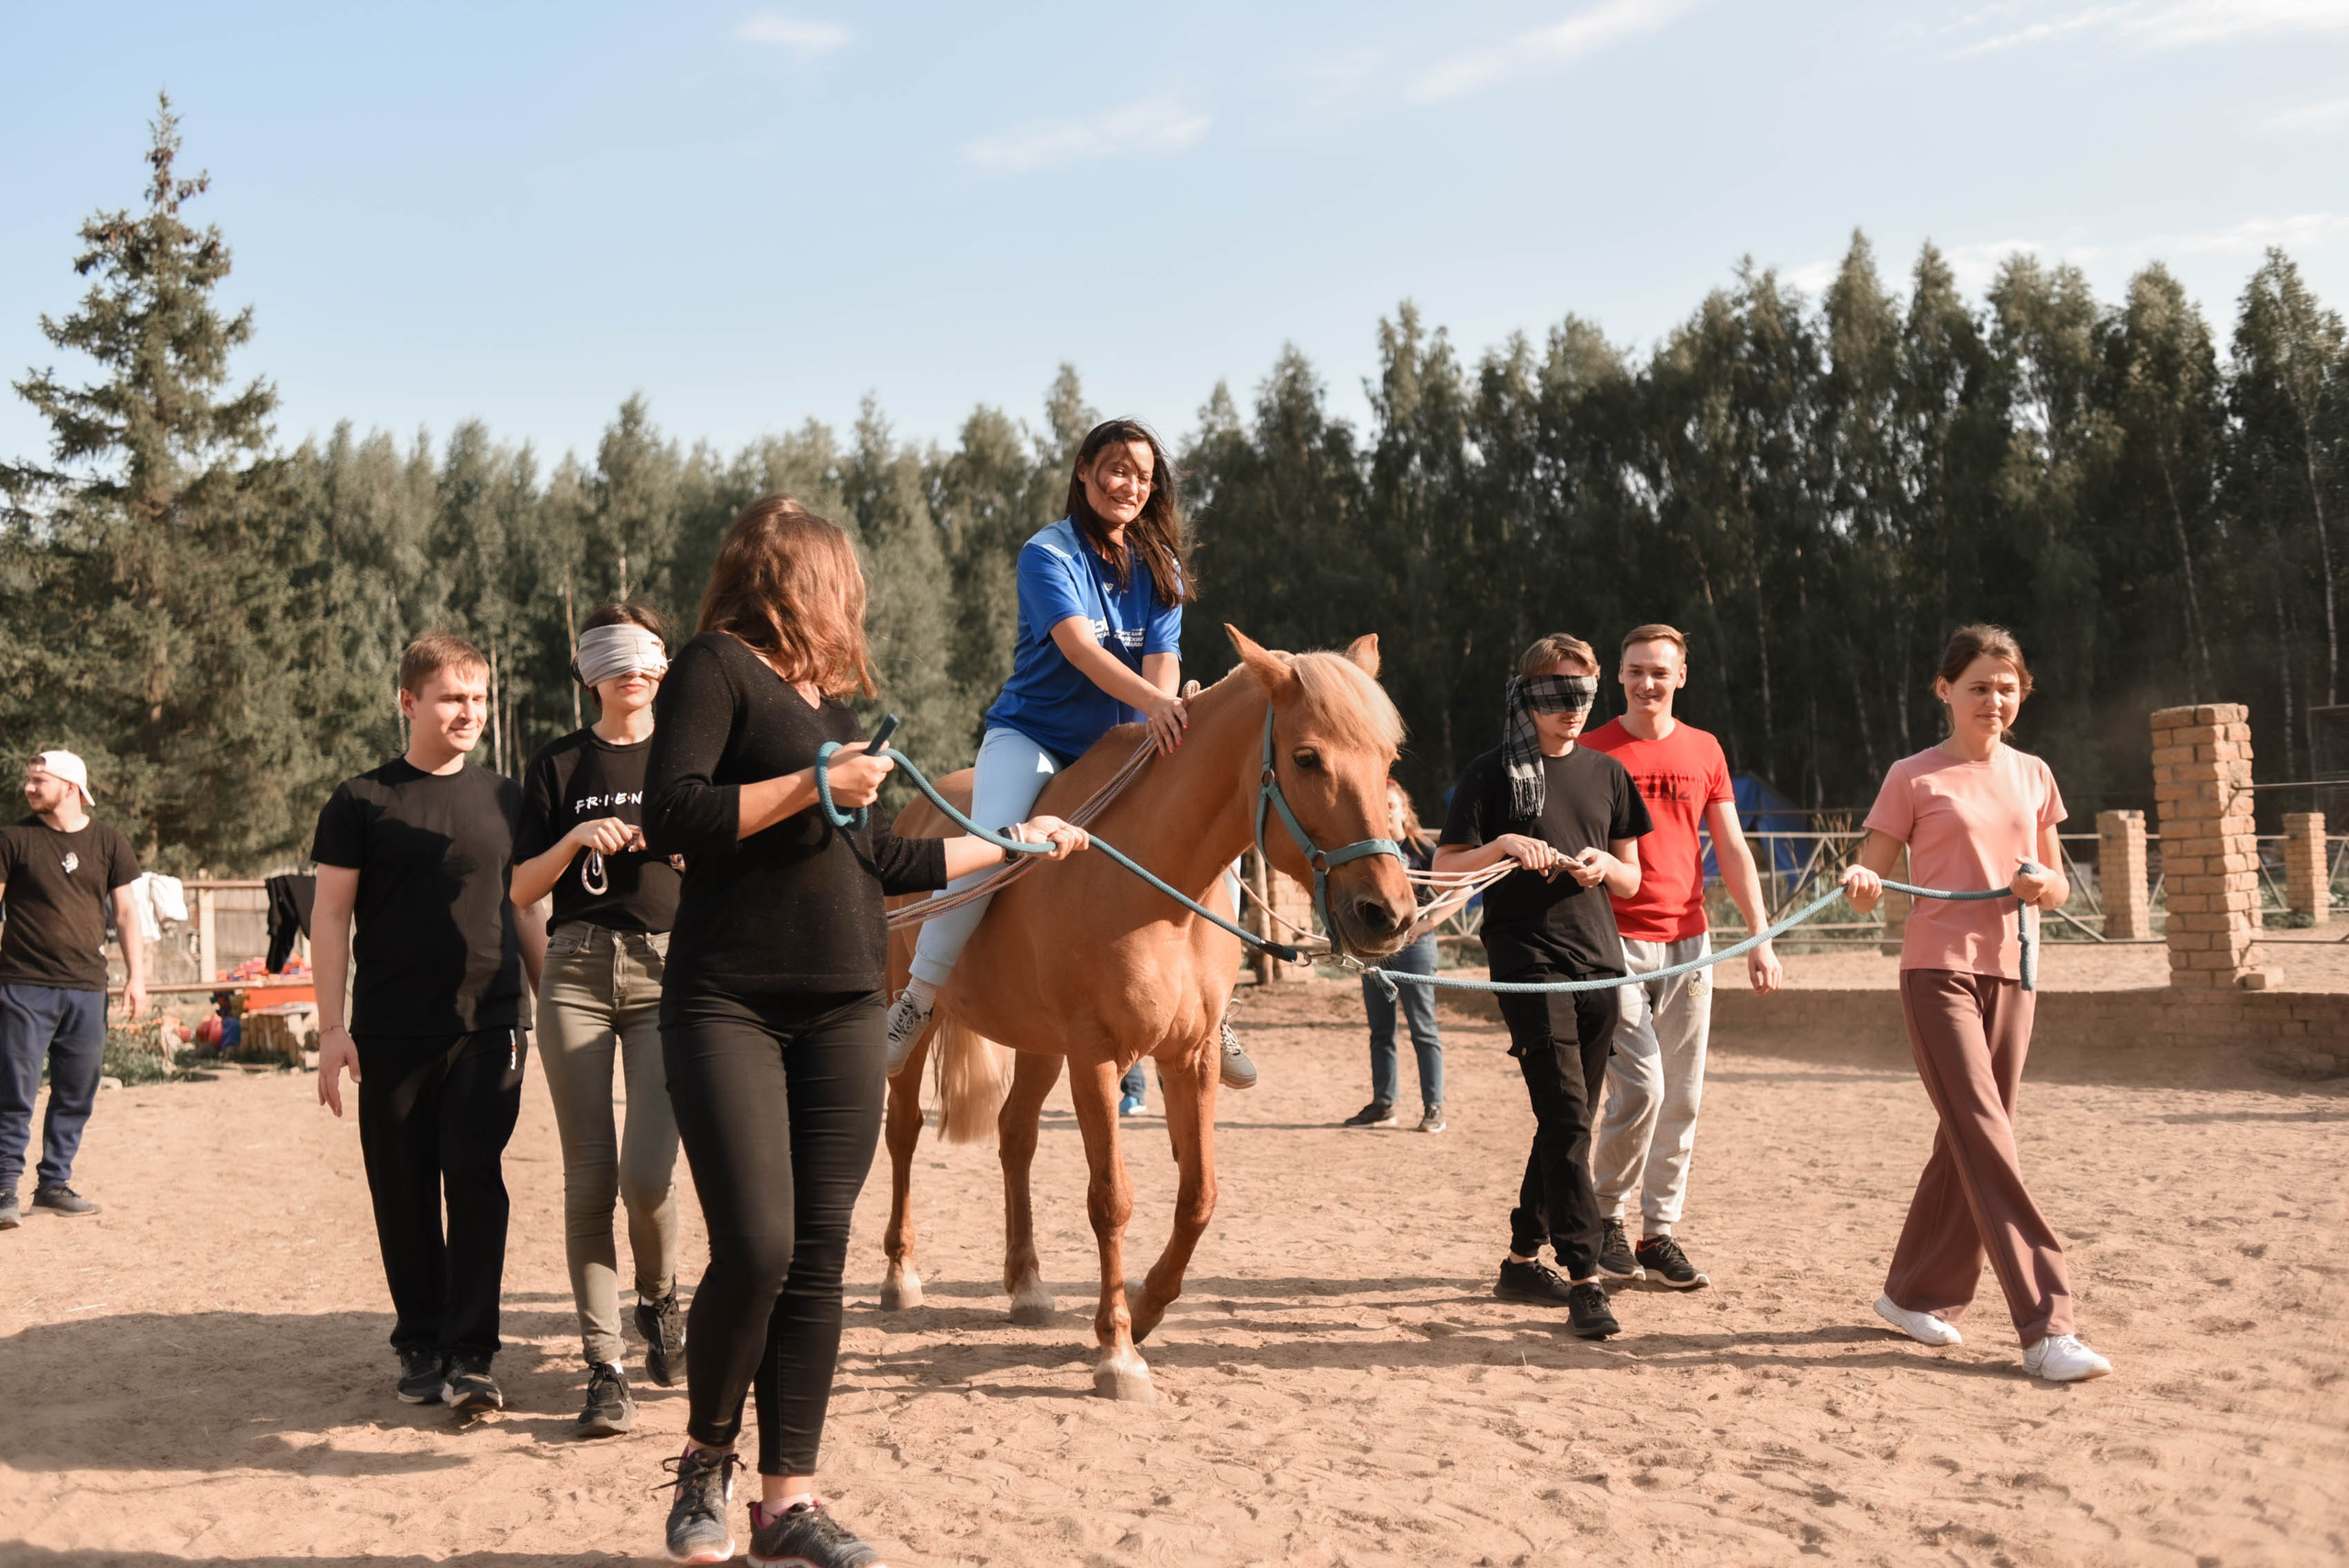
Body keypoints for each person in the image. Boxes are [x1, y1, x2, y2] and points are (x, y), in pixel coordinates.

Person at [643, 496, 1090, 1567]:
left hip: (844, 1000)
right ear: (797, 574)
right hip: (728, 999)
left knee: (815, 1256)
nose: (856, 598)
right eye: (845, 576)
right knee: (753, 1243)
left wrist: (1016, 843)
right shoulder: (712, 665)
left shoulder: (829, 711)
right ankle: (706, 1461)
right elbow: (675, 817)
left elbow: (881, 866)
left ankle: (787, 1502)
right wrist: (814, 782)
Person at [885, 417, 1256, 1098]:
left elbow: (1163, 660)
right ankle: (918, 995)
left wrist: (1160, 714)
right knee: (989, 849)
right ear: (1084, 470)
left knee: (1216, 854)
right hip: (1034, 738)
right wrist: (1157, 704)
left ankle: (1217, 1010)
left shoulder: (1161, 564)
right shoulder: (1046, 553)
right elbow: (1080, 651)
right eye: (1117, 468)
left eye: (1143, 476)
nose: (1130, 485)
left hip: (1124, 743)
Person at [1841, 624, 2111, 1384]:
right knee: (1988, 1136)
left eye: (2006, 686)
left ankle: (1912, 1292)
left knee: (1969, 1137)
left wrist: (2040, 883)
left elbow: (2057, 885)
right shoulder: (1912, 776)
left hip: (2015, 972)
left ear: (2021, 693)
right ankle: (2048, 1326)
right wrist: (1862, 887)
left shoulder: (2034, 774)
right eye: (1978, 686)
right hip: (1939, 974)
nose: (1994, 699)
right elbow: (1869, 880)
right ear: (1944, 690)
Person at [312, 633, 539, 1414]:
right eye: (451, 697)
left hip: (491, 1022)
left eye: (478, 698)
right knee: (403, 1186)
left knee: (475, 1178)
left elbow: (528, 907)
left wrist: (559, 1007)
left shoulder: (509, 798)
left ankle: (473, 1351)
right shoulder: (359, 801)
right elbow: (331, 916)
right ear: (408, 702)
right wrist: (331, 1028)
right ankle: (420, 1338)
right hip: (390, 1028)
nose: (468, 711)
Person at [1434, 633, 1651, 1341]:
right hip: (1524, 959)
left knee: (1571, 1116)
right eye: (1557, 697)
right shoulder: (1490, 774)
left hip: (1600, 959)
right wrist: (1501, 846)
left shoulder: (1608, 774)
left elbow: (1633, 875)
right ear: (1526, 696)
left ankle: (1523, 1255)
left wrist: (1600, 867)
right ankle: (1584, 1278)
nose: (1571, 711)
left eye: (1583, 697)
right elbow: (1446, 867)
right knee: (1565, 1116)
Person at [509, 603, 686, 1438]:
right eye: (615, 657)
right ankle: (604, 1365)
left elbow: (729, 846)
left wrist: (690, 846)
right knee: (592, 1176)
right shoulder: (556, 762)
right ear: (588, 669)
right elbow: (519, 889)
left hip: (670, 970)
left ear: (663, 662)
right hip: (576, 968)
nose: (633, 671)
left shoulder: (690, 751)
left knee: (650, 1173)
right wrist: (577, 835)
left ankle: (659, 1297)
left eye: (647, 655)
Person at [1580, 625, 1782, 1290]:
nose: (1647, 683)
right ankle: (1605, 1213)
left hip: (1689, 944)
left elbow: (1730, 846)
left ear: (1681, 676)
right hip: (1613, 942)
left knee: (1684, 1097)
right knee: (1641, 1088)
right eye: (1636, 670)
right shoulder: (1592, 748)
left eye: (1659, 672)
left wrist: (1759, 936)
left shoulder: (1706, 749)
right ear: (1619, 673)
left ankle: (1657, 1232)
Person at [0, 751, 146, 1228]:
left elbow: (125, 913)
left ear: (70, 786)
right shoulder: (13, 837)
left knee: (76, 1090)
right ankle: (4, 1188)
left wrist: (136, 977)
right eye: (29, 779)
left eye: (38, 779)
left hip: (86, 987)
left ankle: (53, 1184)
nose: (29, 786)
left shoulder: (108, 841)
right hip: (23, 984)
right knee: (14, 1089)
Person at [1341, 781, 1445, 1132]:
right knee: (1380, 1030)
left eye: (1390, 804)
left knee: (1423, 1030)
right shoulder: (1371, 854)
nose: (1385, 811)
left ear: (1404, 809)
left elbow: (1462, 888)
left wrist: (1427, 924)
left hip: (1415, 950)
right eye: (1378, 804)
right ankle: (1383, 1104)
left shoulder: (1423, 849)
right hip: (1375, 951)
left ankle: (1434, 1107)